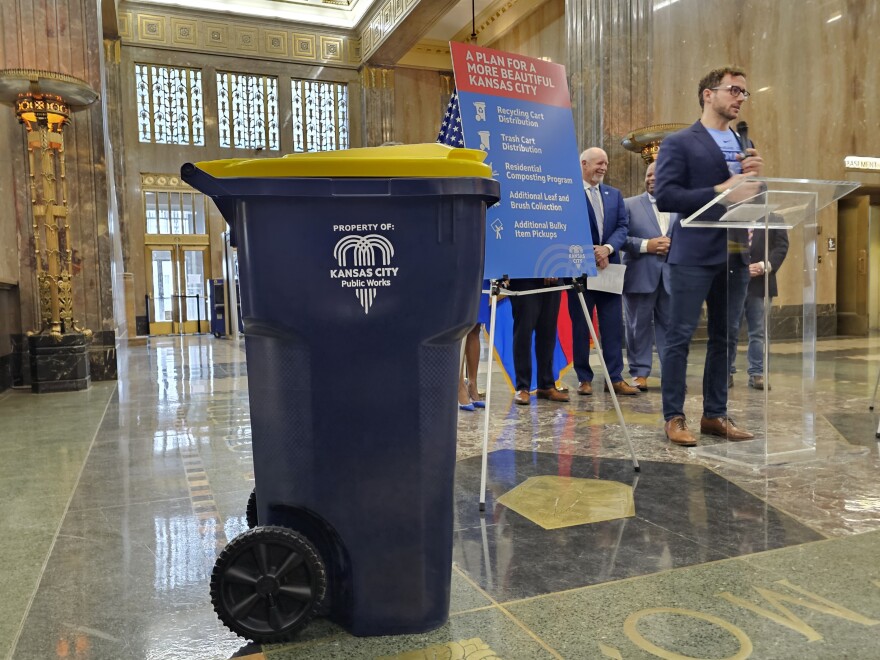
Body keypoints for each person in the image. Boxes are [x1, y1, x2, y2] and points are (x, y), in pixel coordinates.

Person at [653, 66, 765, 446]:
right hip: (693, 253)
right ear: (708, 94)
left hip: (734, 252)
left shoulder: (742, 143)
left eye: (744, 93)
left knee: (727, 337)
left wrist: (757, 183)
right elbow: (667, 196)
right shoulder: (680, 142)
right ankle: (674, 417)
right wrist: (721, 188)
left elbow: (748, 199)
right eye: (734, 90)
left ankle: (715, 415)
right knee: (679, 337)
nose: (739, 98)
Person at [567, 147, 639, 397]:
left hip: (609, 269)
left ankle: (614, 378)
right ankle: (584, 378)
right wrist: (591, 252)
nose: (604, 168)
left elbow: (622, 226)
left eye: (606, 163)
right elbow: (567, 227)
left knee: (612, 325)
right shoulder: (569, 194)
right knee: (581, 326)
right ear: (584, 164)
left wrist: (607, 249)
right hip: (580, 270)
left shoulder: (614, 194)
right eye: (599, 163)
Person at [622, 161, 672, 392]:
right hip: (639, 275)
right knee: (637, 326)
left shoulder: (680, 206)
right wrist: (647, 245)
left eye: (657, 174)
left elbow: (689, 235)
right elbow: (619, 238)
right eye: (648, 174)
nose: (651, 178)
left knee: (671, 327)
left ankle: (671, 374)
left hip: (672, 278)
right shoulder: (629, 205)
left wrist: (675, 246)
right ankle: (639, 372)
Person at [729, 226, 789, 390]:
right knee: (730, 330)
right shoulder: (735, 217)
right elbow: (725, 245)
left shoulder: (774, 219)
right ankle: (726, 372)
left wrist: (765, 265)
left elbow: (781, 246)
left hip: (761, 284)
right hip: (734, 282)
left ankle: (757, 374)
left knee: (759, 332)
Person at [508, 278, 569, 405]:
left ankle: (546, 385)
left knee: (548, 333)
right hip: (525, 278)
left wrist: (552, 268)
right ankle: (522, 387)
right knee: (523, 333)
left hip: (553, 276)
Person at [459, 280, 491, 411]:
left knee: (475, 326)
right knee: (460, 325)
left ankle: (473, 384)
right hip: (461, 269)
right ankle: (459, 386)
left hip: (482, 272)